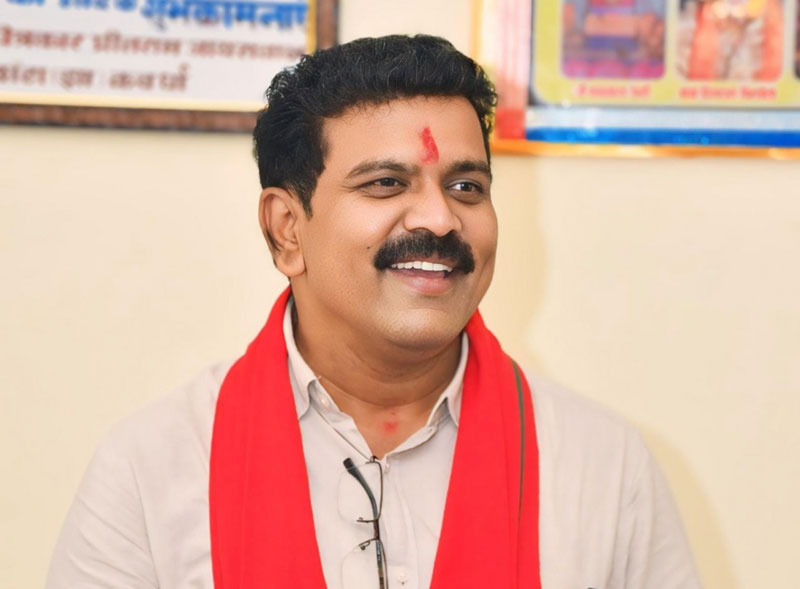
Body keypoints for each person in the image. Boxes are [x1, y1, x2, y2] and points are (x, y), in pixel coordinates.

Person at [46, 35, 700, 588]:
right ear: (286, 229)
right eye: (386, 183)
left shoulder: (601, 467)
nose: (440, 218)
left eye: (466, 186)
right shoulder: (154, 468)